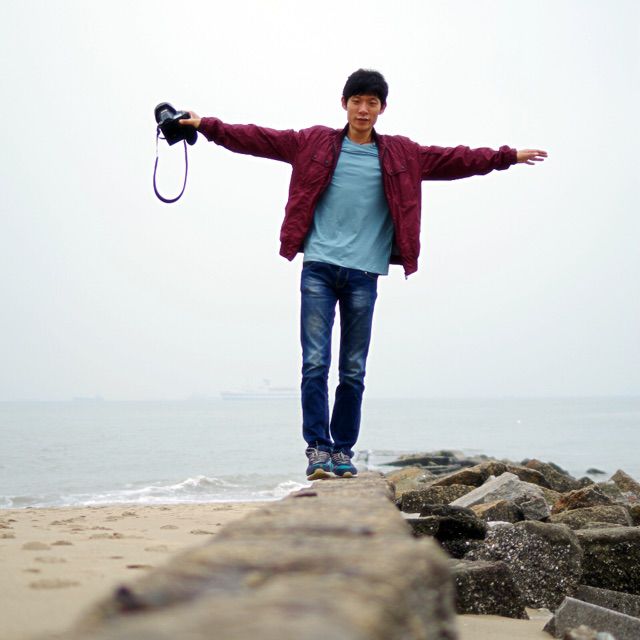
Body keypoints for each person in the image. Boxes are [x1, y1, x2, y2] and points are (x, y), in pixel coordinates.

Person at [180, 69, 547, 481]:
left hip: (364, 273)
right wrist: (205, 125)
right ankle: (317, 449)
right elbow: (256, 138)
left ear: (382, 109)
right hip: (319, 267)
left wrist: (507, 156)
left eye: (372, 102)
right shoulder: (313, 143)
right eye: (357, 101)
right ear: (344, 104)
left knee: (353, 370)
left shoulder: (402, 154)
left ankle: (342, 450)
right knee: (315, 363)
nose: (363, 109)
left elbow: (456, 159)